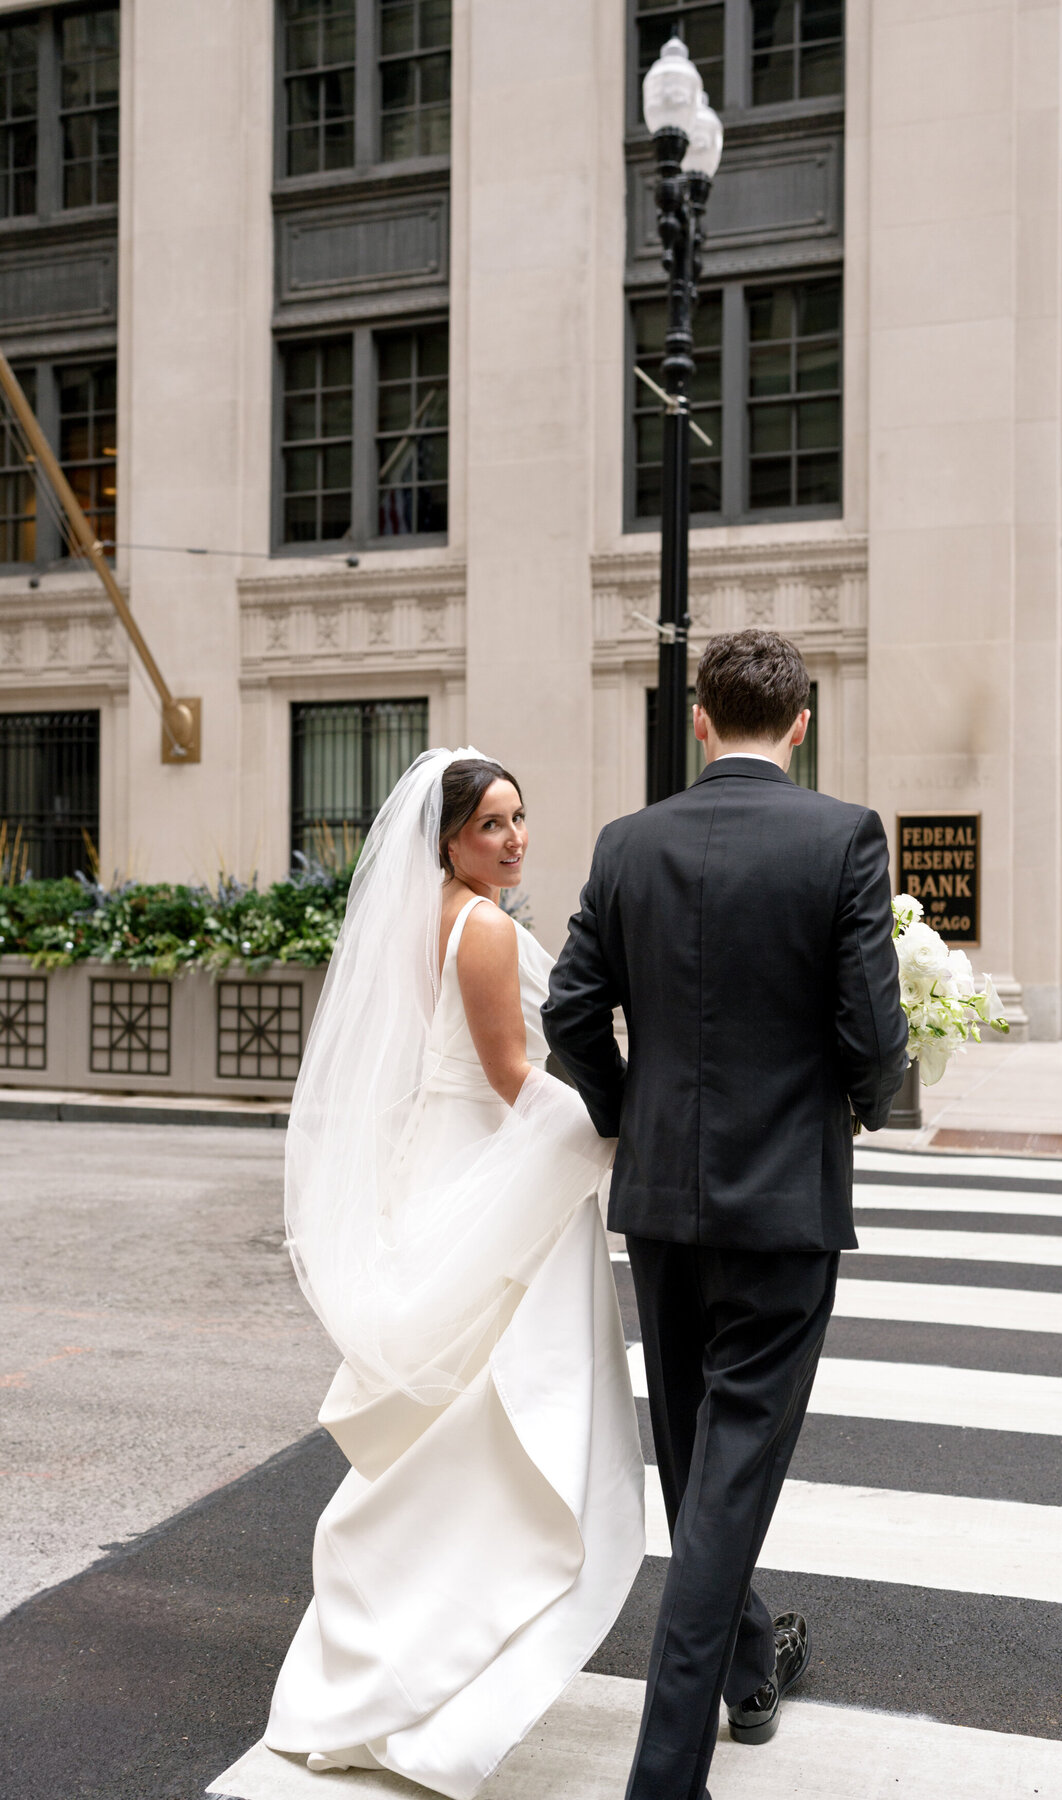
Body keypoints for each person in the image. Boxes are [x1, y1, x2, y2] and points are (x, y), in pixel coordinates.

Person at [543, 630, 909, 1800]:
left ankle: (750, 1665)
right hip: (784, 1201)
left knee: (701, 1457)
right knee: (730, 1469)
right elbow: (870, 1033)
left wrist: (627, 1109)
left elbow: (569, 1015)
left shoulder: (626, 843)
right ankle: (664, 1774)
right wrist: (869, 1102)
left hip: (662, 1204)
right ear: (801, 723)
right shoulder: (842, 836)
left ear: (699, 720)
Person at [259, 750, 644, 1798]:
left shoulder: (431, 913)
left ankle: (396, 1653)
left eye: (520, 819)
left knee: (459, 1415)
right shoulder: (480, 929)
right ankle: (430, 1659)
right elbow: (515, 1078)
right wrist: (622, 1132)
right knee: (498, 1412)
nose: (514, 840)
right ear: (447, 840)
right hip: (492, 1179)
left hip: (447, 1166)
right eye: (491, 826)